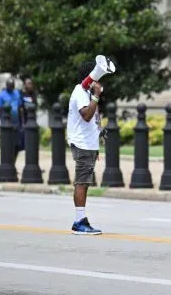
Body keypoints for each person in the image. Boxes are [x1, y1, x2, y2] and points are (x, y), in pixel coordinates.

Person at [67, 61, 104, 235]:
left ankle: (81, 219)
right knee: (81, 181)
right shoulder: (80, 92)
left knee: (85, 182)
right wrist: (96, 96)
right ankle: (79, 222)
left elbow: (94, 118)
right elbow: (87, 115)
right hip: (81, 143)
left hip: (88, 144)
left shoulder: (87, 93)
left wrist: (97, 143)